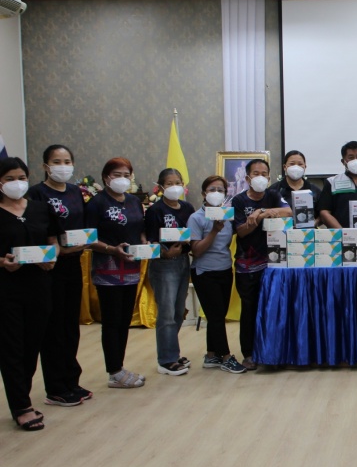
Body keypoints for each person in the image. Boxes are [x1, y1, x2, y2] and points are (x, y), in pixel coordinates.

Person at [28, 145, 92, 406]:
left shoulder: (76, 192)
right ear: (46, 166)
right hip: (50, 267)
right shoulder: (36, 193)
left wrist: (83, 242)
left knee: (70, 325)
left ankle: (71, 380)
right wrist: (55, 250)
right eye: (57, 161)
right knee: (53, 328)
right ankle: (55, 387)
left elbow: (84, 227)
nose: (62, 166)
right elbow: (35, 230)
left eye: (67, 161)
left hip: (73, 263)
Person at [0, 157, 60, 431]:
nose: (17, 183)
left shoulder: (40, 208)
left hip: (39, 285)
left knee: (32, 345)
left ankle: (21, 397)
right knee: (12, 346)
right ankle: (21, 406)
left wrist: (51, 257)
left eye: (21, 178)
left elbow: (53, 241)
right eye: (9, 179)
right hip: (7, 288)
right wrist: (2, 262)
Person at [84, 157, 146, 389]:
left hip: (130, 269)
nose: (122, 179)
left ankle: (119, 367)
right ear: (105, 177)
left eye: (126, 175)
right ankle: (114, 370)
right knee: (111, 321)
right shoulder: (96, 203)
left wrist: (144, 243)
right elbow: (89, 238)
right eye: (117, 175)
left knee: (124, 321)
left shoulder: (134, 201)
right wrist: (111, 249)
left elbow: (140, 229)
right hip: (107, 270)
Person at [231, 158, 291, 371]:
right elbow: (241, 231)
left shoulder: (272, 194)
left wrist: (261, 212)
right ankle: (249, 353)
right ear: (248, 178)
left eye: (264, 174)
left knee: (271, 308)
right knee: (249, 310)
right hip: (247, 265)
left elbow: (288, 211)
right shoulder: (239, 201)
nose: (260, 177)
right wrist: (257, 219)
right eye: (256, 174)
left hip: (273, 263)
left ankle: (271, 352)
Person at [188, 176, 246, 374]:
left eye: (220, 190)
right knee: (215, 317)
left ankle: (211, 355)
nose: (216, 193)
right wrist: (213, 231)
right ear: (204, 193)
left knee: (218, 314)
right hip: (204, 272)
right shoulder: (196, 218)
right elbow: (196, 250)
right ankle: (226, 357)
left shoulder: (228, 216)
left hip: (225, 269)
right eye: (212, 189)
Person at [144, 168, 194, 376]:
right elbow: (149, 240)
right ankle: (166, 359)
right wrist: (164, 253)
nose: (175, 187)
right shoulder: (155, 210)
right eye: (170, 183)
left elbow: (193, 232)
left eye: (178, 183)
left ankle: (172, 351)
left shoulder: (187, 208)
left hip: (183, 261)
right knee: (166, 313)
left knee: (178, 311)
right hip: (163, 264)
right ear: (161, 187)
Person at [271, 150, 322, 222]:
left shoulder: (314, 190)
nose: (296, 167)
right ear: (284, 167)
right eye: (292, 164)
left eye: (300, 164)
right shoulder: (274, 190)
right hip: (281, 228)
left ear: (305, 167)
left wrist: (315, 223)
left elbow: (323, 213)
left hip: (309, 229)